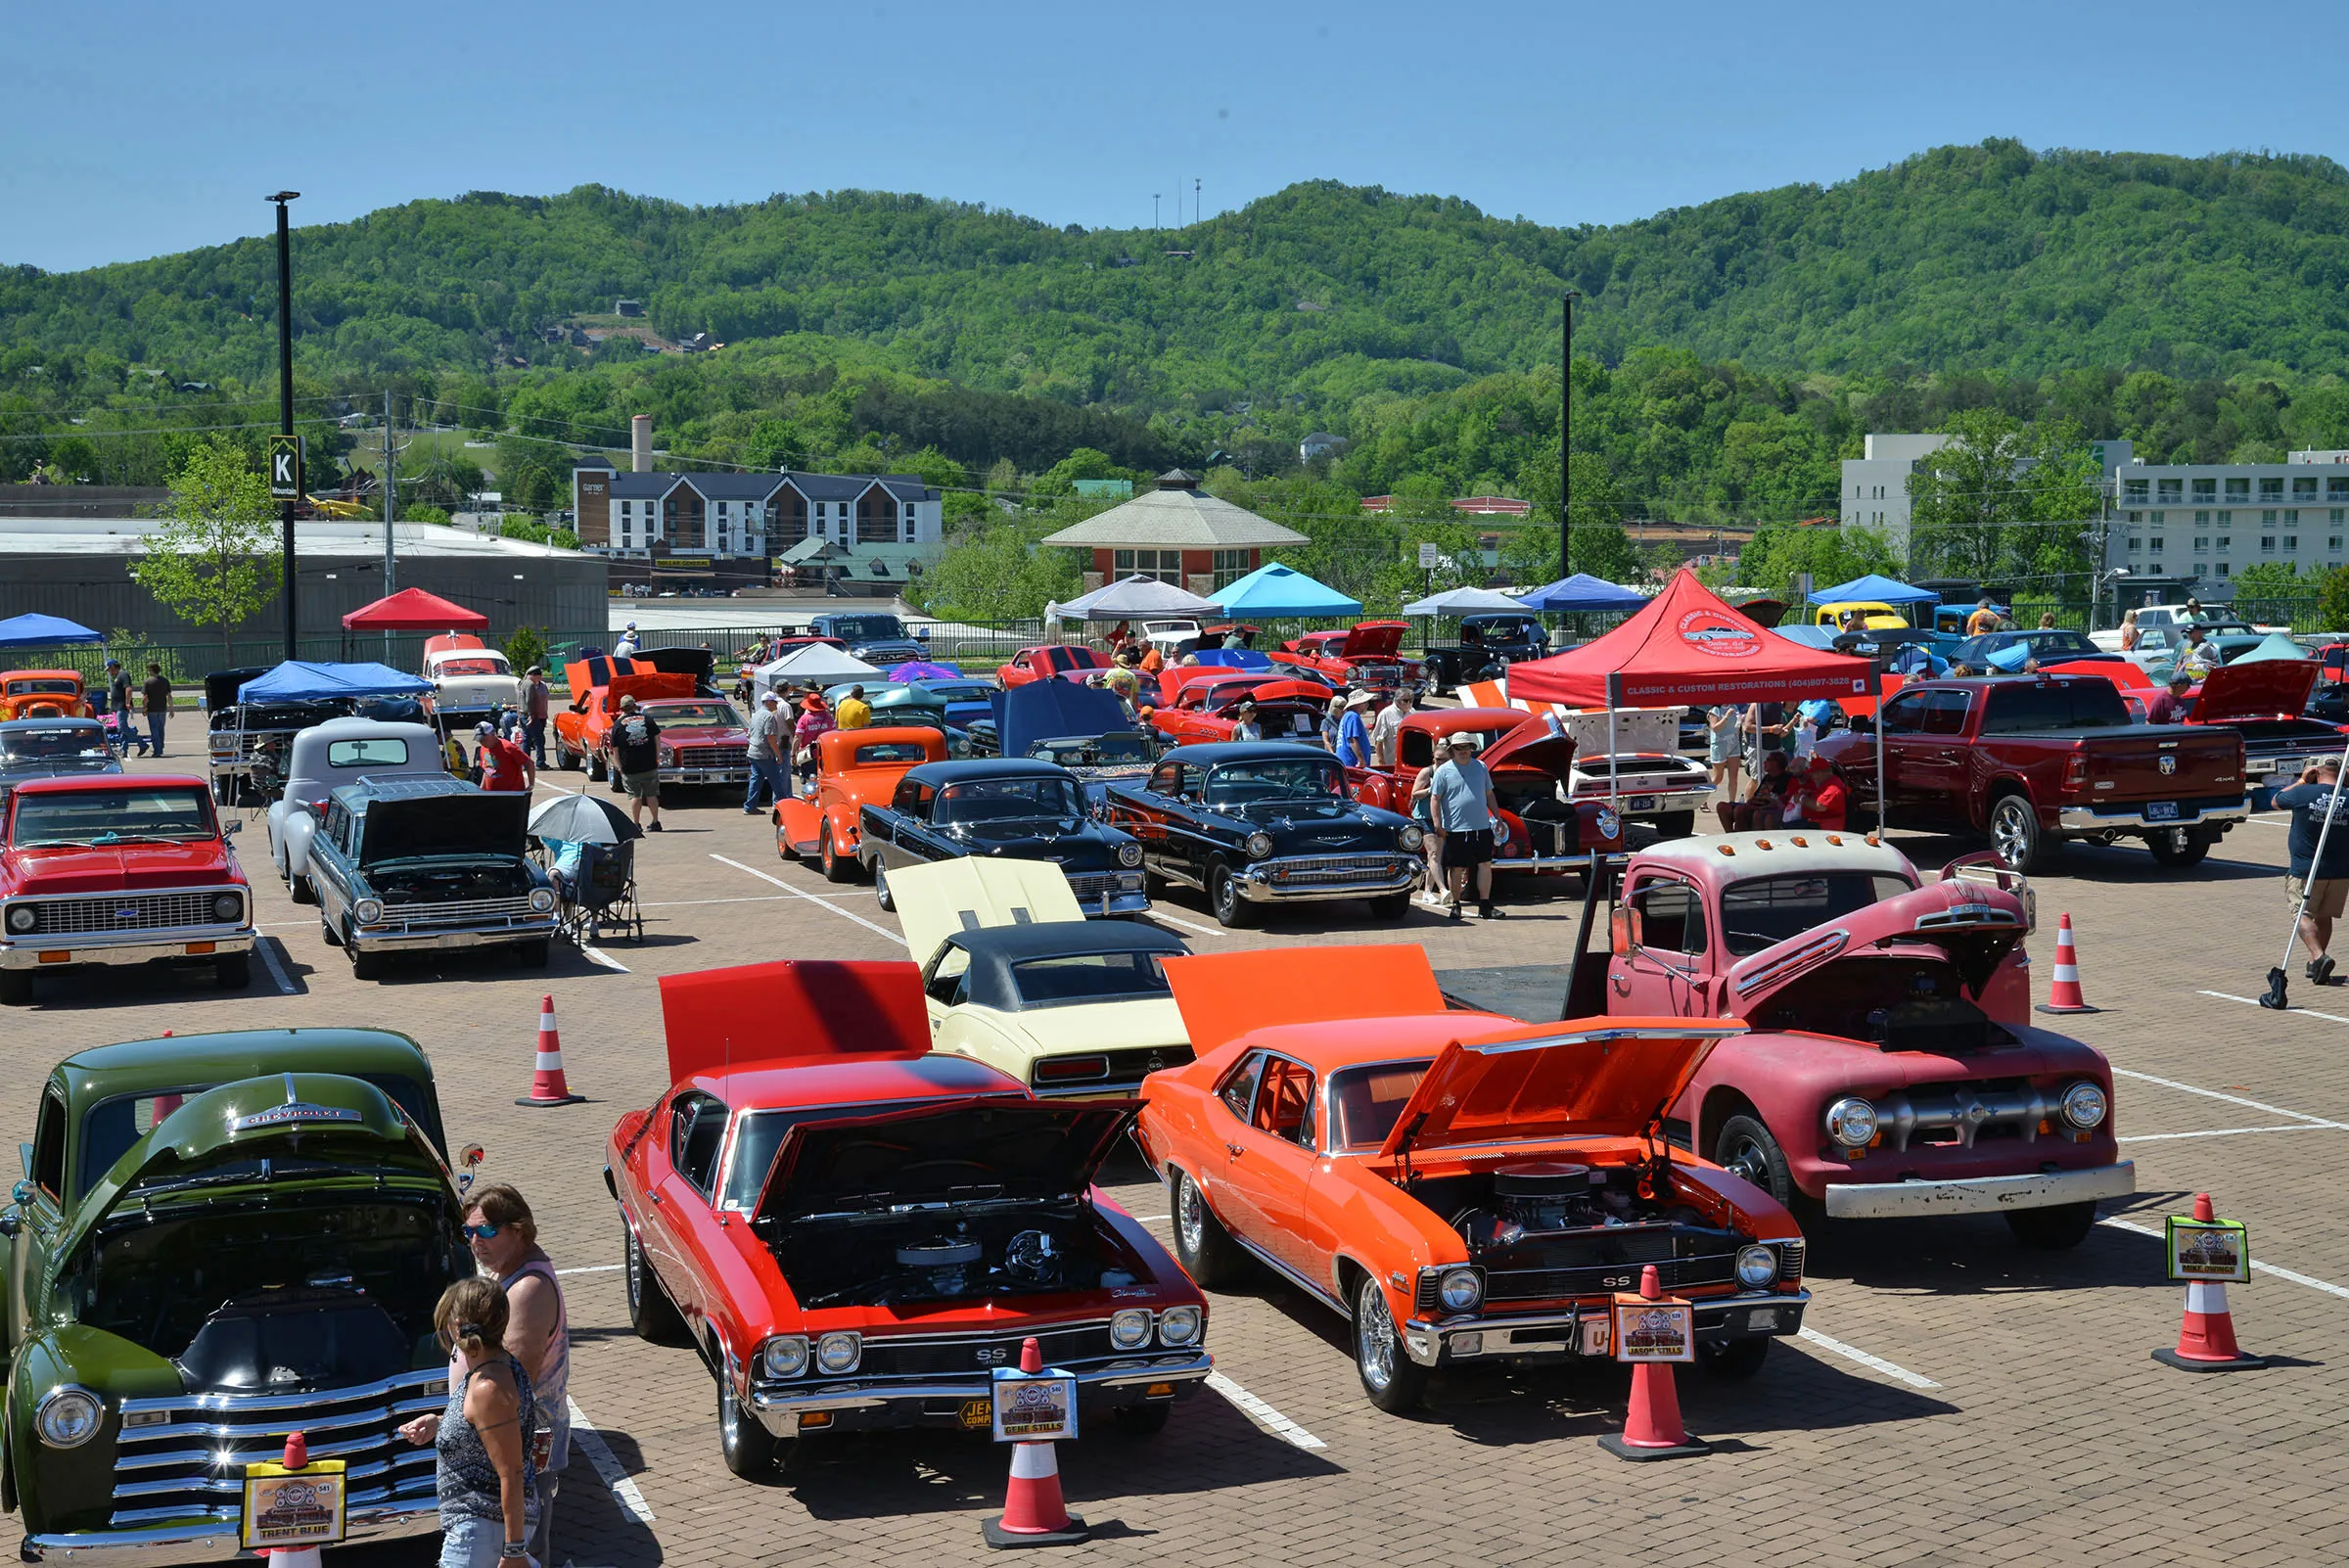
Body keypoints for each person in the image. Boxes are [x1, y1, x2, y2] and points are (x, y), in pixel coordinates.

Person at [462, 1184, 571, 1568]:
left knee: (521, 1555)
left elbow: (512, 1381)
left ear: (519, 1229)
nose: (476, 1240)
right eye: (469, 1231)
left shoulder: (527, 1290)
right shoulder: (511, 1275)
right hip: (510, 1443)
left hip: (522, 1449)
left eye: (487, 1230)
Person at [398, 1276, 536, 1568]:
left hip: (483, 1531)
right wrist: (440, 1422)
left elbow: (511, 1471)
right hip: (482, 1530)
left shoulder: (488, 1386)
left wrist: (514, 1551)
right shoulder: (491, 1368)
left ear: (457, 1324)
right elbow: (482, 1428)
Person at [2276, 760, 2349, 985]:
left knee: (2302, 914)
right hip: (2340, 871)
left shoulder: (2303, 793)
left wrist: (2301, 781)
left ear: (2315, 772)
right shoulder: (2347, 796)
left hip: (2306, 869)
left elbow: (2276, 800)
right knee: (2324, 915)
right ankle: (2315, 964)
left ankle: (2318, 956)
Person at [1427, 732, 1505, 919]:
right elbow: (1435, 799)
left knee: (1485, 864)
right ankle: (1456, 905)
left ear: (1472, 748)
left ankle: (1485, 905)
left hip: (1481, 827)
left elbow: (1489, 794)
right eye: (1458, 747)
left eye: (1466, 747)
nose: (1463, 751)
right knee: (1456, 868)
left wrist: (1498, 818)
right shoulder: (1443, 771)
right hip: (1455, 829)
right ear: (1452, 750)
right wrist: (1437, 824)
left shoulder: (1481, 767)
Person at [611, 694, 663, 832]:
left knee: (635, 795)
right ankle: (655, 821)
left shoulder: (617, 725)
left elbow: (615, 749)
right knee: (651, 794)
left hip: (629, 767)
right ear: (634, 706)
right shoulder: (648, 719)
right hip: (649, 764)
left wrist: (619, 767)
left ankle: (636, 824)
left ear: (621, 709)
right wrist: (657, 758)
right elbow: (657, 739)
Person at [1717, 750, 1793, 833]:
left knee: (1740, 810)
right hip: (1755, 805)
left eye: (1768, 760)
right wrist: (1751, 802)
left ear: (1777, 763)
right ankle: (1730, 834)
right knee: (1722, 806)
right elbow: (1756, 796)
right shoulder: (1767, 777)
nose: (1765, 762)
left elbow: (1779, 801)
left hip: (1767, 808)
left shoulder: (1786, 779)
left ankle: (1741, 836)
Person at [746, 688, 789, 812]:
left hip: (753, 752)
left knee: (756, 779)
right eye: (775, 702)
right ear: (769, 702)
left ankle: (750, 807)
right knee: (776, 780)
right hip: (764, 754)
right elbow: (770, 738)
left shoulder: (755, 715)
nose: (776, 705)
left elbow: (749, 734)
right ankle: (785, 806)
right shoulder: (769, 716)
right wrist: (778, 755)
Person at [1408, 756, 1445, 903]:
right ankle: (1442, 889)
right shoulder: (1427, 772)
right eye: (1438, 759)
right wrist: (1431, 789)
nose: (1441, 762)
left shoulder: (1450, 773)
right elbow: (1415, 793)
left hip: (1441, 817)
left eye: (1445, 759)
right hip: (1424, 817)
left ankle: (1427, 891)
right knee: (1433, 853)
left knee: (1436, 857)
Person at [1783, 753, 1850, 831]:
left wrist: (1801, 799)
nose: (1812, 777)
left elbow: (1820, 806)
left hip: (1824, 828)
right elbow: (1821, 796)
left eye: (1813, 774)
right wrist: (1809, 793)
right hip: (1816, 823)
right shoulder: (1827, 783)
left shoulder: (1833, 787)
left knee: (1787, 827)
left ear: (1820, 772)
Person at [475, 721, 534, 793]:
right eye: (479, 740)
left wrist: (531, 786)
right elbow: (487, 770)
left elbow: (529, 763)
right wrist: (481, 789)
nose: (481, 742)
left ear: (493, 734)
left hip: (511, 794)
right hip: (491, 794)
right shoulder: (483, 749)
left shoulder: (508, 747)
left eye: (483, 739)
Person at [793, 693, 835, 791]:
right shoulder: (828, 717)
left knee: (809, 782)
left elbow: (797, 738)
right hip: (825, 754)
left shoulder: (804, 719)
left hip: (809, 755)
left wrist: (793, 754)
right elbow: (833, 734)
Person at [1372, 687, 1417, 769]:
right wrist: (1381, 762)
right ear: (1397, 700)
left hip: (1410, 762)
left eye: (1411, 700)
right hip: (1392, 763)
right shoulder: (1386, 714)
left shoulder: (1413, 712)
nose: (1409, 703)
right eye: (1406, 701)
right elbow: (1378, 741)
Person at [1706, 703, 1744, 799]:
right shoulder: (1715, 710)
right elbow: (1715, 728)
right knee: (1718, 777)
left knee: (1733, 777)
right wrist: (1726, 717)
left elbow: (1737, 724)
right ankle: (1703, 797)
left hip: (1734, 743)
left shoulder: (1734, 707)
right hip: (1719, 745)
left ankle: (1732, 802)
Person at [1744, 699, 1788, 776]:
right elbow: (1748, 727)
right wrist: (1771, 729)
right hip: (1759, 748)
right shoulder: (1757, 704)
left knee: (1776, 778)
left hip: (1776, 748)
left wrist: (1781, 731)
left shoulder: (1778, 704)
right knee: (1756, 779)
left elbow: (1778, 726)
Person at [1337, 690, 1375, 768]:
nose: (1367, 704)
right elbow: (1352, 740)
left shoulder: (1348, 716)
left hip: (1349, 763)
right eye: (1365, 702)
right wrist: (1361, 760)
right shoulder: (1353, 716)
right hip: (1352, 763)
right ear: (1357, 704)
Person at [522, 666, 551, 766]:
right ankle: (538, 762)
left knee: (536, 739)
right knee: (535, 739)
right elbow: (523, 702)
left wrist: (545, 715)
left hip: (542, 716)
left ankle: (528, 763)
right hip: (532, 716)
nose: (539, 677)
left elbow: (545, 701)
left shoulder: (543, 686)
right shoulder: (527, 686)